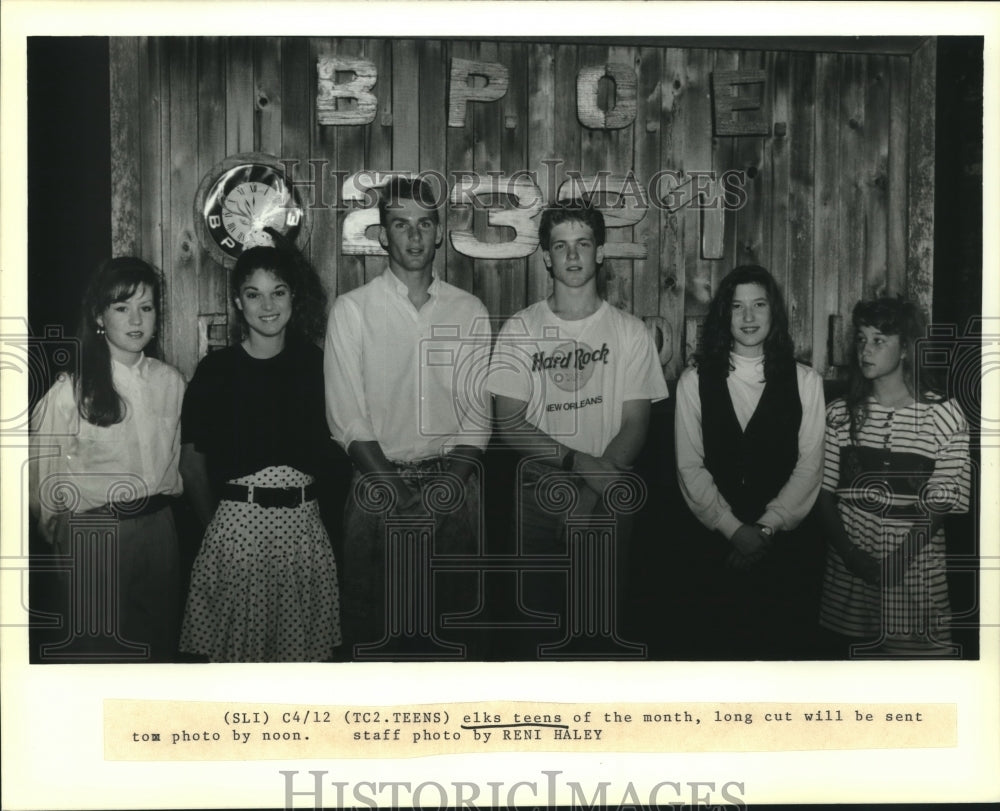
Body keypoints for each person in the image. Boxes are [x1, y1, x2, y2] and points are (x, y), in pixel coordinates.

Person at [487, 199, 668, 654]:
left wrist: (591, 490)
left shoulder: (629, 332)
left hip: (609, 488)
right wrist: (577, 462)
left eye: (583, 244)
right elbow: (508, 422)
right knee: (538, 633)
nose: (572, 255)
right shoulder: (521, 328)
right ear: (545, 256)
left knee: (600, 633)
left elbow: (635, 424)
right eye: (561, 246)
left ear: (600, 252)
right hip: (539, 488)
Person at [324, 177, 492, 655]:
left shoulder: (470, 310)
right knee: (374, 637)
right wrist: (399, 494)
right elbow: (346, 418)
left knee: (453, 637)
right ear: (383, 236)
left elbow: (477, 415)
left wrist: (442, 493)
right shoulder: (352, 310)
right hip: (377, 489)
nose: (414, 236)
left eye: (424, 224)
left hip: (455, 490)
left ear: (439, 233)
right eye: (401, 224)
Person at [179, 236, 342, 662]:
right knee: (238, 663)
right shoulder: (215, 372)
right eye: (254, 294)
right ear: (238, 302)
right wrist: (221, 529)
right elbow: (192, 465)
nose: (267, 305)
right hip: (238, 534)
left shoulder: (316, 365)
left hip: (303, 534)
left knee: (301, 668)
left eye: (278, 292)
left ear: (293, 297)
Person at [29, 257, 185, 662]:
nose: (136, 319)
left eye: (146, 308)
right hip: (97, 533)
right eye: (121, 307)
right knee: (99, 654)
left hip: (160, 531)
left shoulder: (171, 382)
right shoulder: (72, 389)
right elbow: (41, 476)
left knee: (158, 651)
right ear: (99, 316)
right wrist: (62, 532)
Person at [674, 265, 825, 659]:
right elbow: (689, 468)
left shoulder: (806, 382)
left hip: (785, 555)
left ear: (773, 312)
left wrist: (764, 529)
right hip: (713, 552)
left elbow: (810, 468)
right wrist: (732, 529)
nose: (748, 317)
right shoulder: (694, 382)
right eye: (737, 306)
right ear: (724, 315)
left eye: (758, 305)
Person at [817, 297, 970, 656]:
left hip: (914, 583)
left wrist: (898, 563)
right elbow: (823, 496)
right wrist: (851, 555)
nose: (865, 350)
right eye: (860, 339)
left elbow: (942, 503)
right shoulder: (839, 414)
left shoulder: (943, 416)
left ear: (904, 349)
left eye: (878, 340)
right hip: (849, 586)